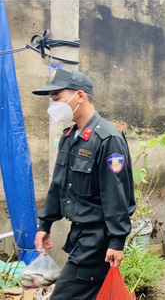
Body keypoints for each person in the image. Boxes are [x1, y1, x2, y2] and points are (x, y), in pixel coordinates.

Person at [32, 68, 136, 299]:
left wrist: (117, 241)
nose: (53, 104)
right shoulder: (70, 137)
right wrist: (44, 225)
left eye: (57, 96)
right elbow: (58, 186)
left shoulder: (108, 139)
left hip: (97, 240)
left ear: (79, 95)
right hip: (79, 235)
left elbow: (116, 195)